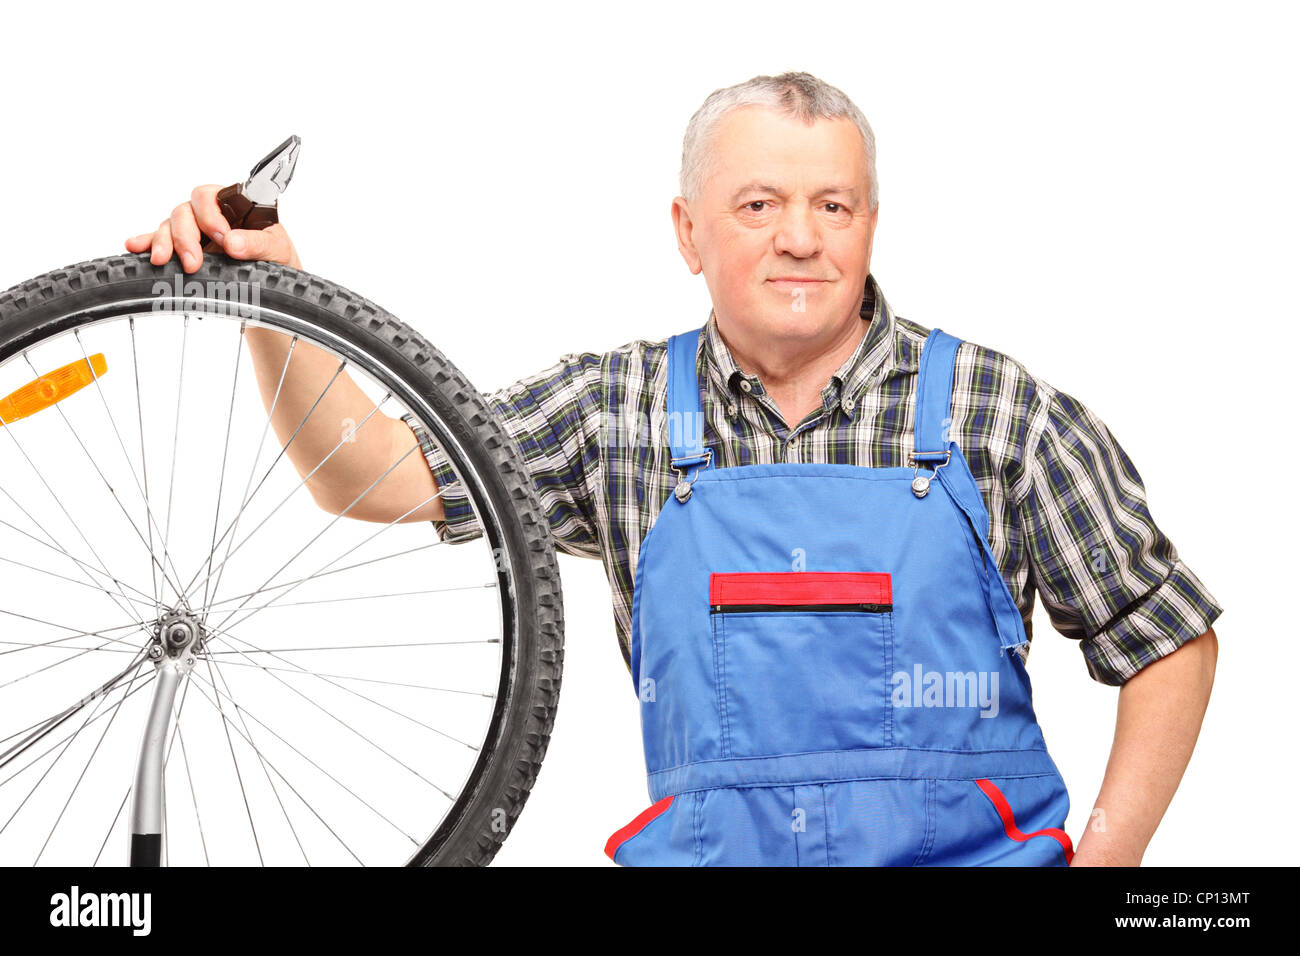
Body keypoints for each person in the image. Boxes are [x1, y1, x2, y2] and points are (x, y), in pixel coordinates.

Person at [125, 71, 1221, 866]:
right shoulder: (616, 412)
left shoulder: (995, 409)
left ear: (870, 225)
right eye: (758, 205)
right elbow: (367, 473)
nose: (800, 237)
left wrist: (1107, 866)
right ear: (687, 231)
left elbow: (1165, 630)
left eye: (830, 205)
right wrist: (270, 299)